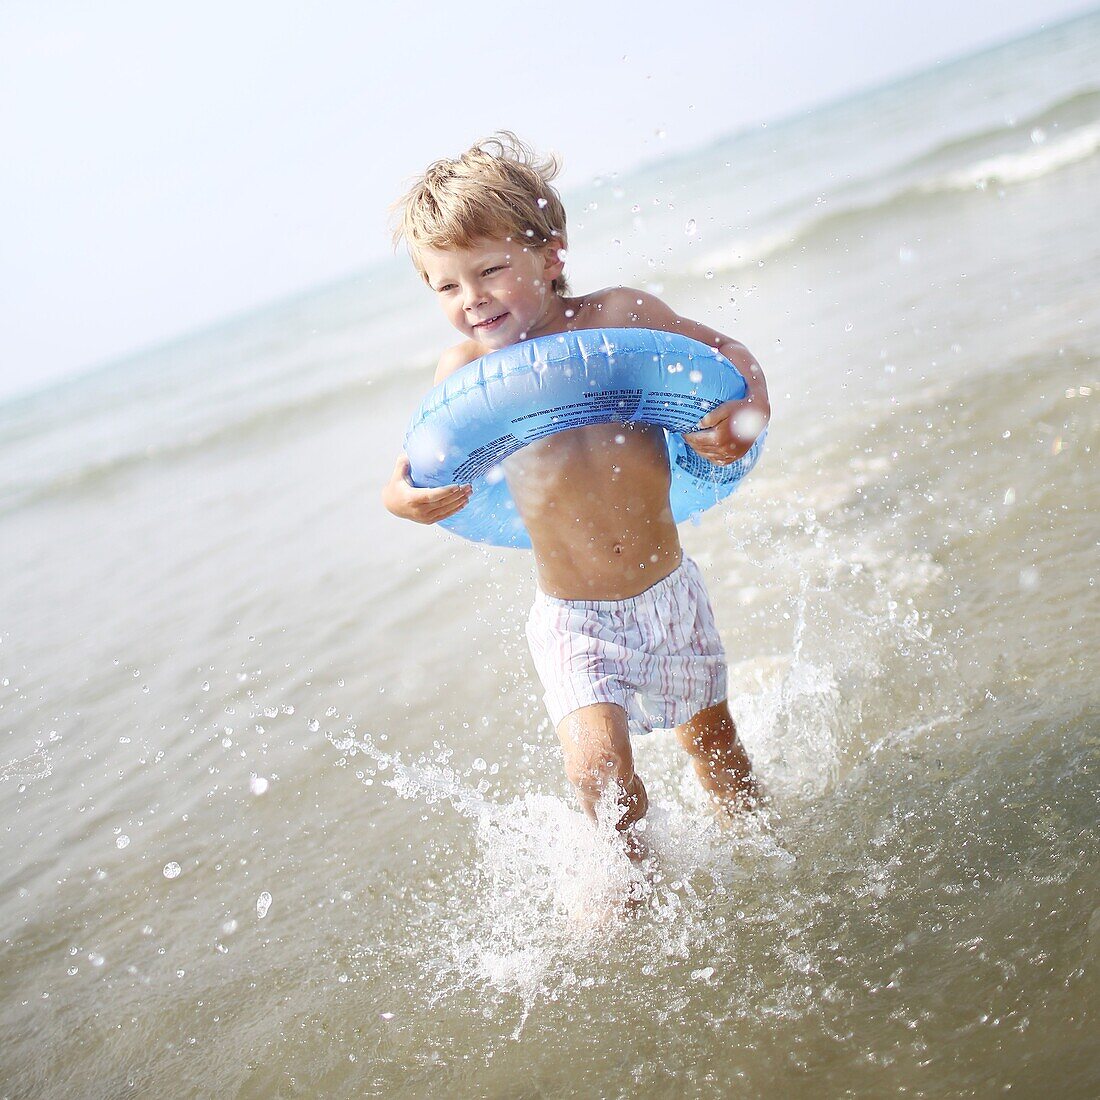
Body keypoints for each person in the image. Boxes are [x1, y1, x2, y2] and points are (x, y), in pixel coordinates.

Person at [382, 133, 769, 869]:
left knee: (716, 748)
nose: (472, 301)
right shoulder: (466, 370)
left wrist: (750, 408)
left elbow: (727, 353)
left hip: (669, 595)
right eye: (446, 286)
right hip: (575, 617)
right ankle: (636, 903)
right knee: (598, 779)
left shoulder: (621, 315)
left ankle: (766, 860)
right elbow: (414, 467)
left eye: (491, 271)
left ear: (551, 255)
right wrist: (403, 501)